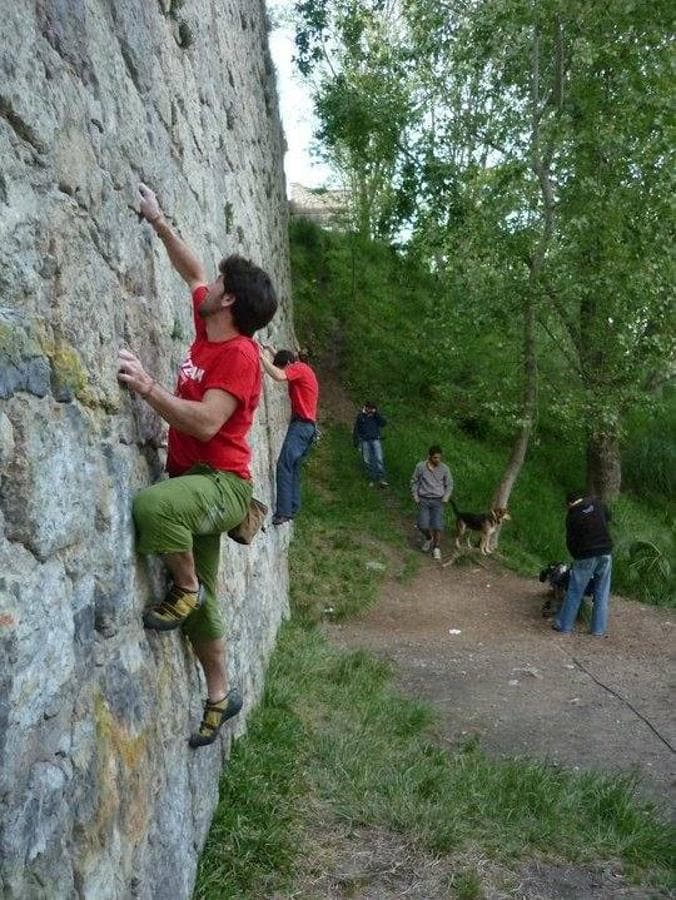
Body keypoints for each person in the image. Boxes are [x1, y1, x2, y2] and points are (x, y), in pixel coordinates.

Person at [117, 183, 277, 748]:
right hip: (197, 483)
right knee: (205, 603)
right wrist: (158, 221)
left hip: (223, 486)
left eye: (221, 286)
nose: (210, 286)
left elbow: (207, 424)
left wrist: (147, 387)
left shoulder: (238, 356)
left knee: (153, 506)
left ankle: (182, 587)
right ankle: (219, 695)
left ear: (229, 302)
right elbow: (192, 272)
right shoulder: (210, 326)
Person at [259, 346, 319, 525]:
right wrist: (270, 350)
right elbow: (285, 362)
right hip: (307, 428)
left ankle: (283, 512)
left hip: (301, 426)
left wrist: (262, 358)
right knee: (293, 467)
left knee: (284, 464)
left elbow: (279, 375)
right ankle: (292, 507)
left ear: (288, 365)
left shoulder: (298, 369)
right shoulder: (303, 369)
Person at [552, 491, 613, 636]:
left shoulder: (572, 515)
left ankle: (564, 625)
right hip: (606, 551)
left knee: (575, 590)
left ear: (569, 504)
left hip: (586, 554)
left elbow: (571, 543)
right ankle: (598, 630)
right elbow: (608, 517)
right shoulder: (597, 503)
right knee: (602, 592)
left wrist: (577, 558)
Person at [410, 446, 453, 560]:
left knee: (437, 526)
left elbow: (449, 484)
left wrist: (446, 497)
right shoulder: (420, 467)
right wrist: (415, 496)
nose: (438, 460)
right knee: (422, 525)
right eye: (435, 458)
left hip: (438, 500)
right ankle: (429, 538)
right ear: (429, 457)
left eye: (440, 458)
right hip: (424, 499)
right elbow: (414, 482)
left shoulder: (445, 468)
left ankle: (436, 547)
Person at [353, 403, 388, 487]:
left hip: (376, 439)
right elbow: (356, 429)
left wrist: (376, 414)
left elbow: (383, 423)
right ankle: (371, 478)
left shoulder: (375, 417)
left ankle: (381, 478)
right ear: (366, 407)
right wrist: (355, 441)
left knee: (379, 458)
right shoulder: (361, 416)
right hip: (364, 441)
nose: (370, 410)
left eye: (372, 408)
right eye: (369, 408)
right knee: (367, 460)